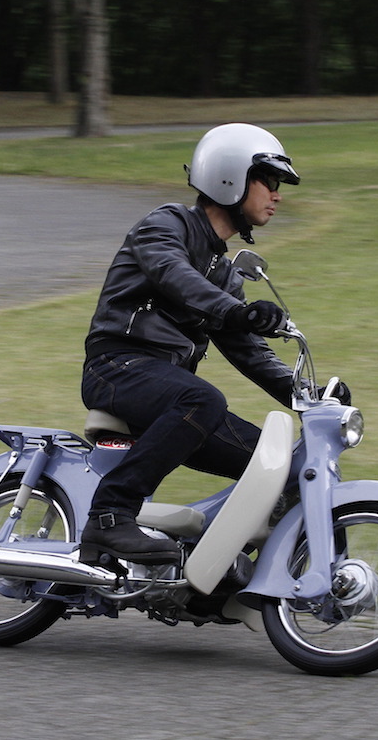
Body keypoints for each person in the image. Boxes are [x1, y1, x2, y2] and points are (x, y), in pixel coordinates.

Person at [78, 123, 304, 566]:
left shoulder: (223, 271)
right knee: (204, 398)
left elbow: (249, 352)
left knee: (279, 465)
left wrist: (308, 395)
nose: (277, 195)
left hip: (168, 391)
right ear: (231, 176)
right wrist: (237, 311)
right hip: (116, 367)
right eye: (270, 182)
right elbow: (173, 275)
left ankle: (220, 569)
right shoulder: (165, 225)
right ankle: (109, 517)